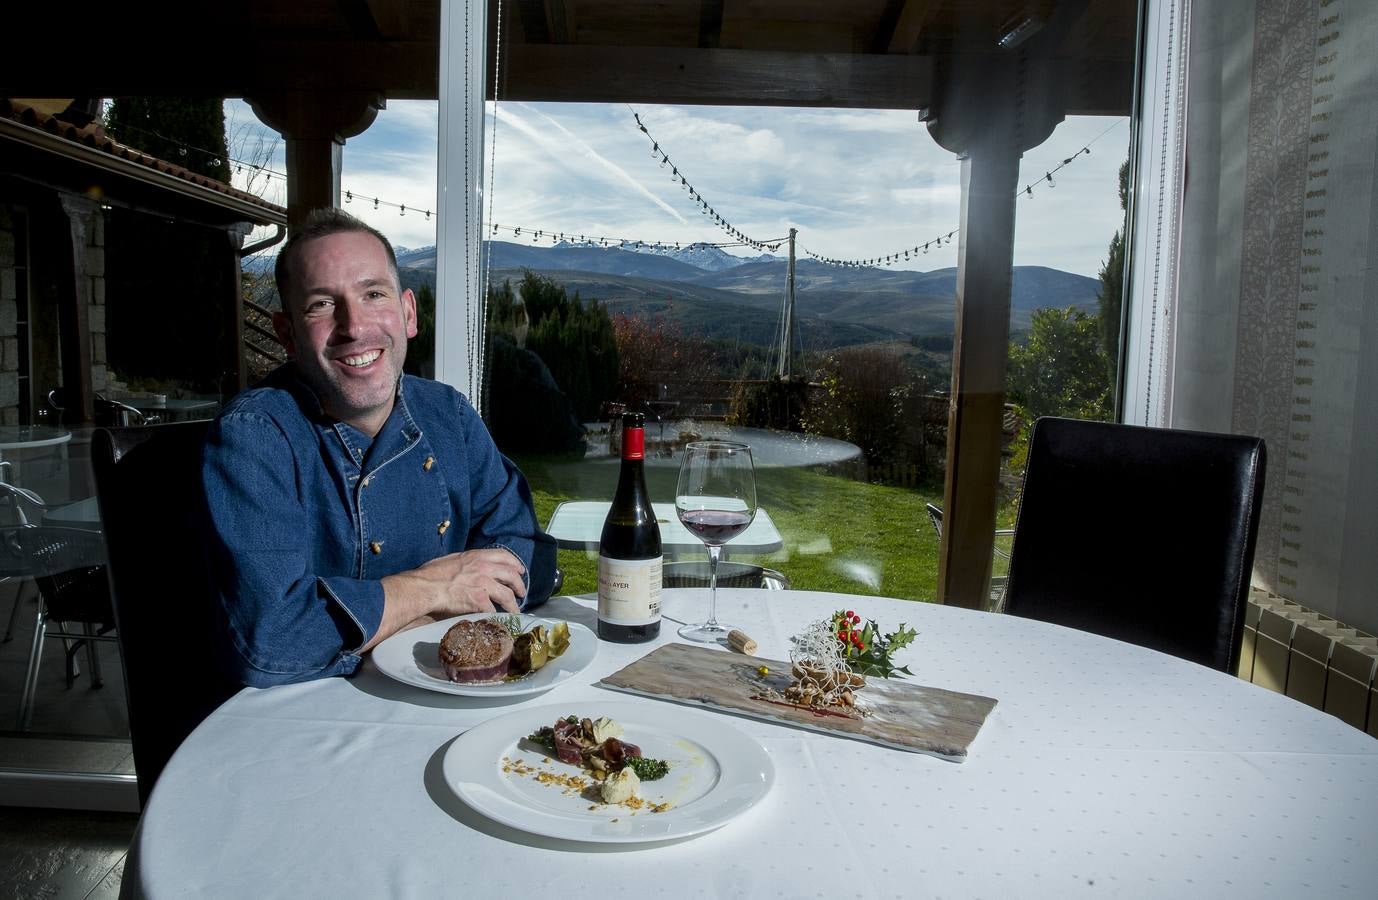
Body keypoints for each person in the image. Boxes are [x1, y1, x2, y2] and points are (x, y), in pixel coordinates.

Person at [202, 208, 558, 687]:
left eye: (373, 294)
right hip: (309, 725)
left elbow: (526, 549)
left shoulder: (447, 412)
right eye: (322, 305)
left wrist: (403, 621)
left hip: (454, 692)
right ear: (287, 334)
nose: (354, 325)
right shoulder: (253, 437)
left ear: (407, 313)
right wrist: (437, 587)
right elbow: (274, 641)